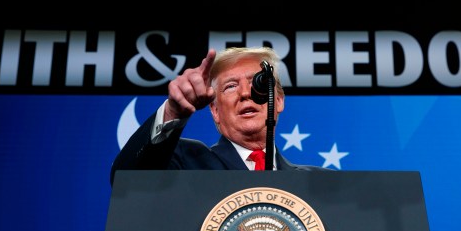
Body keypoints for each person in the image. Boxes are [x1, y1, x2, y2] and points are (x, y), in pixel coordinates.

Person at [110, 46, 329, 186]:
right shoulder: (184, 161)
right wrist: (172, 112)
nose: (245, 93)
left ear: (278, 100)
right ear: (215, 110)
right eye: (231, 86)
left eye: (258, 82)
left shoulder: (317, 183)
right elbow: (126, 182)